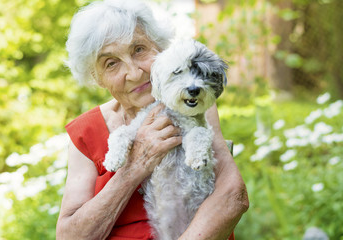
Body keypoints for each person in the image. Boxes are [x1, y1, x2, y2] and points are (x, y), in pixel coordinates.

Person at [56, 0, 249, 239]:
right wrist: (134, 167)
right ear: (97, 78)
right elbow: (70, 236)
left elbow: (233, 197)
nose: (135, 73)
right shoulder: (86, 132)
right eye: (111, 63)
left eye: (139, 49)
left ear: (160, 48)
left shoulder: (191, 103)